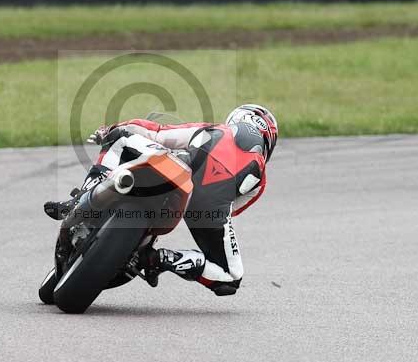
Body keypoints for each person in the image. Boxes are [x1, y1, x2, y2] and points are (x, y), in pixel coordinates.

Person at [44, 104, 278, 296]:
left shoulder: (216, 129)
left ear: (235, 119)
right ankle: (162, 259)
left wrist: (112, 130)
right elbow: (233, 210)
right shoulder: (260, 178)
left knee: (120, 139)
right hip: (207, 208)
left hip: (177, 169)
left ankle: (82, 196)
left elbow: (157, 132)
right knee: (231, 277)